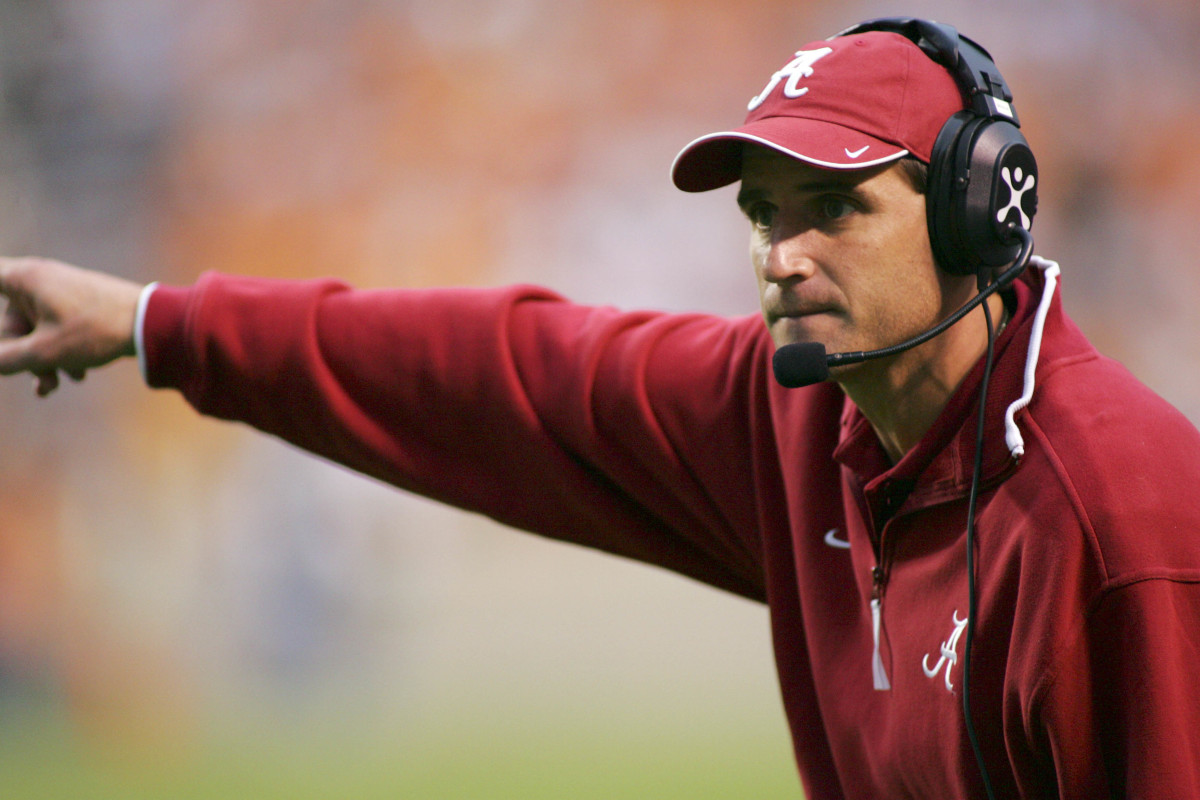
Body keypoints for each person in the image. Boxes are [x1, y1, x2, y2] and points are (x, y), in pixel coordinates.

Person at [2, 16, 1199, 799]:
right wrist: (158, 324)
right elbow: (500, 373)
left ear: (975, 210)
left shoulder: (1124, 523)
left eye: (834, 209)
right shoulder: (792, 418)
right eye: (765, 215)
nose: (782, 255)